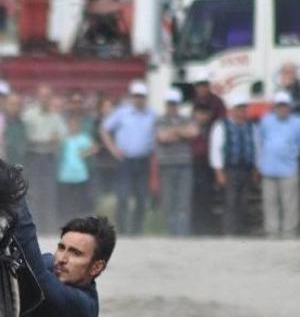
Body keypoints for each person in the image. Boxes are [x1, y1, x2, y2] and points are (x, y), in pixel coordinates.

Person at [99, 80, 157, 234]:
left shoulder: (152, 114)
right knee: (123, 196)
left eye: (142, 96)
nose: (139, 99)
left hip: (143, 160)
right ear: (132, 96)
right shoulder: (122, 112)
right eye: (136, 96)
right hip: (125, 160)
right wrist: (113, 149)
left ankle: (136, 230)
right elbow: (104, 129)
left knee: (141, 197)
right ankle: (123, 230)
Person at [257, 91, 300, 238]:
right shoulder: (266, 121)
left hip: (289, 169)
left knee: (290, 203)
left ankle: (289, 232)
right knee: (270, 203)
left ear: (290, 106)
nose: (282, 108)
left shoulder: (299, 123)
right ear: (275, 106)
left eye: (285, 105)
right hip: (268, 168)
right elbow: (260, 142)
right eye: (279, 105)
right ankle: (272, 231)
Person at [209, 91, 258, 236]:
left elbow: (256, 148)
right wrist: (219, 172)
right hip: (229, 170)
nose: (241, 111)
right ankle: (229, 232)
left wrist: (256, 169)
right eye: (238, 108)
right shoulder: (221, 126)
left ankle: (241, 231)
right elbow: (215, 150)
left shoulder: (251, 127)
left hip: (246, 169)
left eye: (243, 108)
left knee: (243, 202)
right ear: (231, 110)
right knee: (230, 202)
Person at [22, 86, 66, 231]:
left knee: (50, 192)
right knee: (34, 192)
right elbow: (27, 138)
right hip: (34, 156)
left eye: (48, 96)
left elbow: (62, 136)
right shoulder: (29, 115)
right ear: (38, 97)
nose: (45, 99)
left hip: (49, 157)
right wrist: (48, 140)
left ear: (51, 98)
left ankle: (49, 226)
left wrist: (55, 140)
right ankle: (35, 225)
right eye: (42, 96)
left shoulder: (56, 117)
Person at [155, 88, 196, 235]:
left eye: (174, 103)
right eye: (170, 103)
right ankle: (170, 232)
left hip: (184, 164)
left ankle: (182, 233)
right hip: (166, 165)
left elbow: (193, 133)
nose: (172, 106)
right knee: (168, 201)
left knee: (183, 201)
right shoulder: (159, 119)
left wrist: (173, 132)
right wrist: (181, 132)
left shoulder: (187, 118)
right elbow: (162, 137)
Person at [189, 101, 221, 235]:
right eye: (199, 113)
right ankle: (194, 230)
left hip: (208, 167)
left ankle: (207, 229)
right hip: (192, 166)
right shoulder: (189, 127)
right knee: (192, 199)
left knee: (207, 199)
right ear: (195, 114)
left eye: (205, 113)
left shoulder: (214, 128)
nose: (202, 116)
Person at [56, 112, 96, 216]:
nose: (73, 126)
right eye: (71, 124)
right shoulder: (63, 139)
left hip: (80, 176)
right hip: (65, 176)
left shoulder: (83, 138)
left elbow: (95, 148)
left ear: (79, 125)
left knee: (79, 203)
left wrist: (85, 153)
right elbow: (55, 149)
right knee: (65, 204)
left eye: (75, 124)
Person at [2, 92, 28, 167]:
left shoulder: (23, 125)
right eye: (12, 104)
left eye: (18, 105)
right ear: (5, 104)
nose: (15, 107)